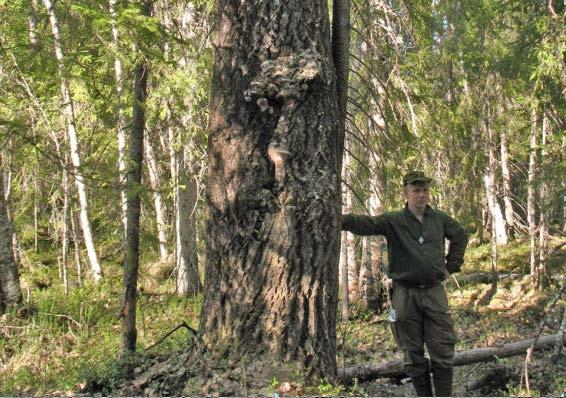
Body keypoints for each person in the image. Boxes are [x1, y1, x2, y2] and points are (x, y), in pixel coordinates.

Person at [341, 170, 468, 397]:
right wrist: (338, 220)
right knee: (412, 351)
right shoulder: (394, 221)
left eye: (425, 190)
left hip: (433, 291)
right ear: (406, 193)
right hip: (404, 294)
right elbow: (367, 224)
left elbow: (460, 236)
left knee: (442, 348)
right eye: (416, 190)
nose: (421, 195)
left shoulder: (439, 219)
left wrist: (451, 266)